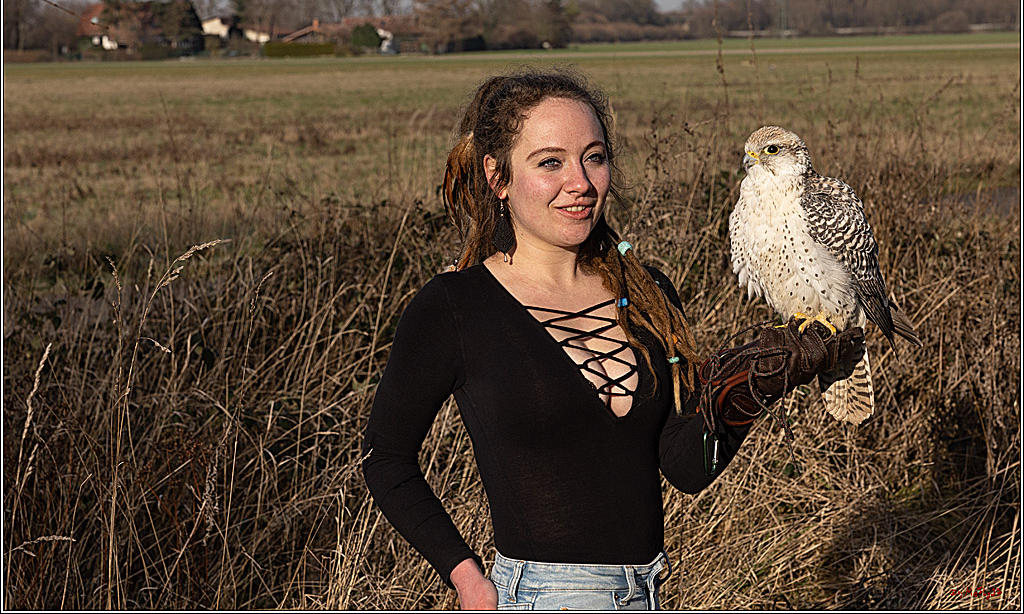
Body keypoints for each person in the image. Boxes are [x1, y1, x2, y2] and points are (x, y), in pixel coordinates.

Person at [361, 69, 864, 610]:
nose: (579, 182)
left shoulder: (648, 295)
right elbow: (386, 457)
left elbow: (685, 468)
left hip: (647, 593)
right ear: (497, 176)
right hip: (540, 598)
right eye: (549, 162)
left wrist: (750, 386)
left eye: (594, 157)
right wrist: (466, 576)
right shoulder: (456, 307)